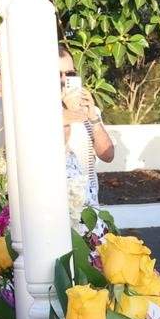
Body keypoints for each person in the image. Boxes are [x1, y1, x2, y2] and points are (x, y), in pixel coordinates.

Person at [60, 46, 115, 215]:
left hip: (89, 206)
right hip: (59, 208)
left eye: (69, 74)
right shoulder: (40, 115)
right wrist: (68, 114)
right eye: (56, 75)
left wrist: (93, 116)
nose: (63, 80)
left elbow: (108, 155)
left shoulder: (88, 111)